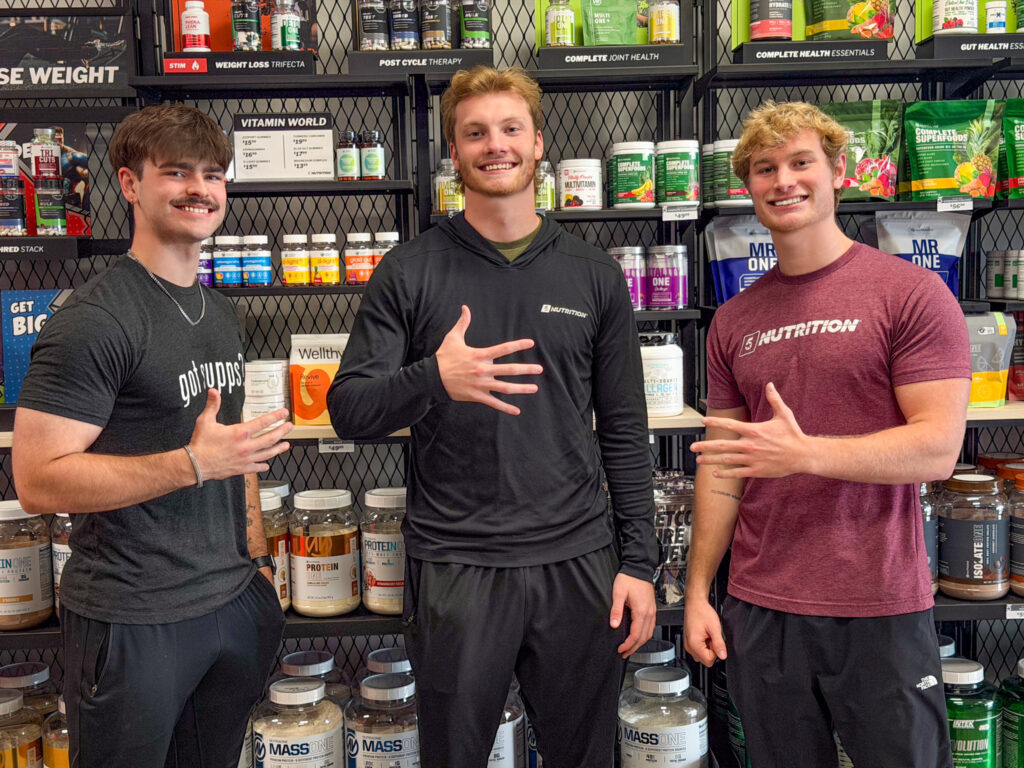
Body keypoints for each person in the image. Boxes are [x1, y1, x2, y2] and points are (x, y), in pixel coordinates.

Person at [327, 65, 658, 767]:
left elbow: (626, 431)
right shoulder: (410, 271)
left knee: (585, 756)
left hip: (576, 561)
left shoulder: (594, 274)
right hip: (456, 565)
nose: (494, 145)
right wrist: (434, 378)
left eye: (510, 129)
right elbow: (349, 409)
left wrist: (639, 563)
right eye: (475, 133)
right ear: (455, 151)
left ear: (539, 143)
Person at [683, 100, 970, 767]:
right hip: (761, 607)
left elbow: (937, 447)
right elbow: (723, 469)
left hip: (879, 600)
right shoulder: (734, 320)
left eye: (800, 162)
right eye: (764, 168)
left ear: (838, 170)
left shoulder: (911, 294)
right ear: (747, 187)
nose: (783, 180)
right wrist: (700, 592)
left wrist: (804, 453)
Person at [11, 104, 291, 767]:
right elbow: (37, 478)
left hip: (230, 603)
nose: (199, 188)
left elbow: (235, 454)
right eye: (176, 172)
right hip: (134, 620)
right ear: (131, 184)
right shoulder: (96, 318)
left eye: (212, 174)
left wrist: (257, 567)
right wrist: (190, 464)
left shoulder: (218, 309)